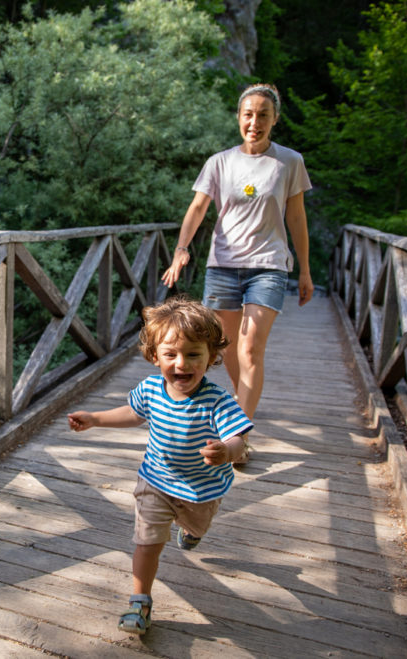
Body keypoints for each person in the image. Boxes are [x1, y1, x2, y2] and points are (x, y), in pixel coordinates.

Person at [67, 296, 253, 635]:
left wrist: (227, 451)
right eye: (171, 354)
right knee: (147, 542)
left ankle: (191, 532)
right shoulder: (151, 389)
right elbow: (133, 414)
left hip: (202, 489)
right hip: (156, 481)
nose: (181, 364)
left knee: (197, 528)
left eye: (194, 354)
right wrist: (96, 418)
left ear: (211, 357)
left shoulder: (217, 401)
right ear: (155, 356)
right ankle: (140, 602)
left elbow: (239, 436)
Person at [161, 83, 313, 463]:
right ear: (239, 117)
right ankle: (243, 394)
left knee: (250, 347)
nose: (255, 122)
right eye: (248, 114)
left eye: (263, 115)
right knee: (225, 347)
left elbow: (296, 217)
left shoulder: (289, 162)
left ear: (275, 119)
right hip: (223, 266)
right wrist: (181, 250)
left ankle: (239, 439)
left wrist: (305, 270)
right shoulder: (220, 162)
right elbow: (198, 208)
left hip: (269, 266)